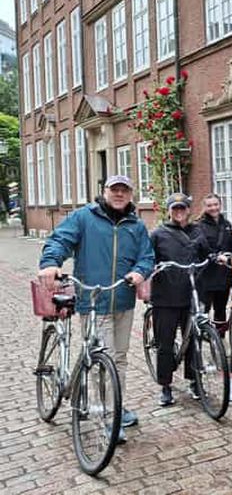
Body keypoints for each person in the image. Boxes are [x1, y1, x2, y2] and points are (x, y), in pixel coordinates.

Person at [38, 175, 154, 443]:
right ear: (104, 192)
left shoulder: (136, 225)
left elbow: (147, 256)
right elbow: (60, 240)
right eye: (115, 189)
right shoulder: (84, 218)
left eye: (124, 190)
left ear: (130, 195)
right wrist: (51, 262)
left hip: (122, 299)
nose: (119, 194)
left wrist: (139, 272)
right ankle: (109, 415)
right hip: (93, 301)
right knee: (107, 358)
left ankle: (111, 403)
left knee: (119, 358)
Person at [150, 193, 215, 407]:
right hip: (166, 297)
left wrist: (217, 257)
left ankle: (194, 380)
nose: (179, 212)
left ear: (188, 210)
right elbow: (148, 258)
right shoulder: (159, 233)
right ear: (169, 210)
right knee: (165, 343)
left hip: (192, 293)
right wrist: (152, 269)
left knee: (193, 341)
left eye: (182, 208)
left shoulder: (198, 231)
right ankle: (166, 385)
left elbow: (207, 252)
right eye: (175, 208)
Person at [197, 193, 232, 334]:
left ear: (220, 205)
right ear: (204, 207)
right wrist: (215, 257)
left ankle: (219, 342)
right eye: (209, 205)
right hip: (205, 276)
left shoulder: (226, 225)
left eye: (216, 204)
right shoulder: (199, 226)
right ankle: (199, 340)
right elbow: (202, 247)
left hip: (223, 275)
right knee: (203, 311)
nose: (213, 208)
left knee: (221, 310)